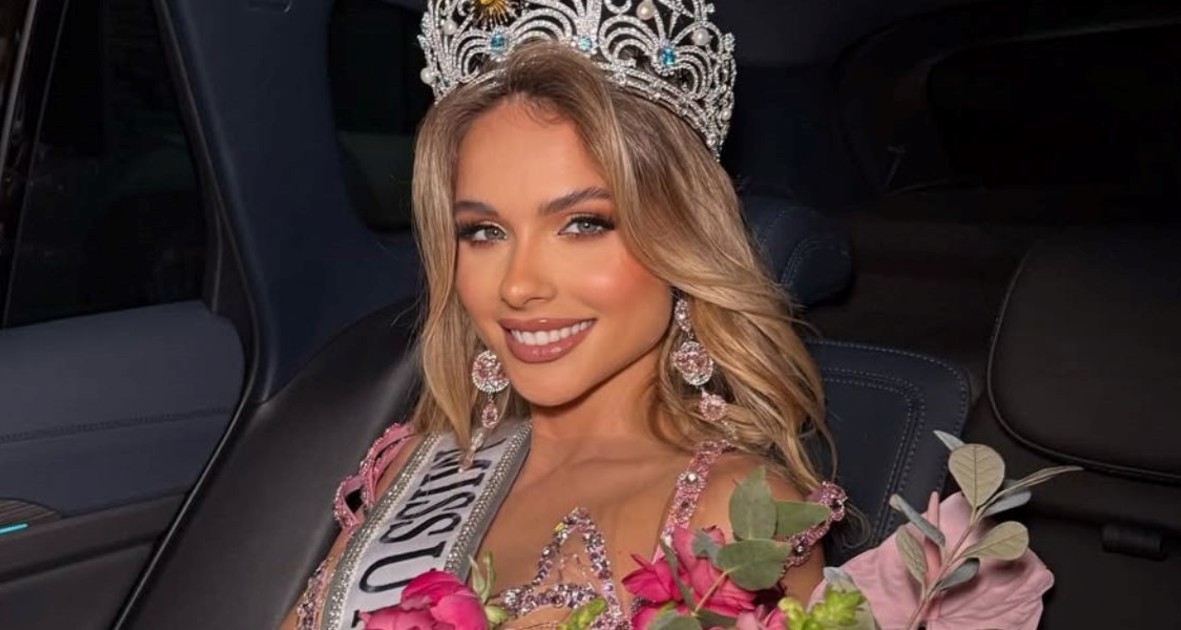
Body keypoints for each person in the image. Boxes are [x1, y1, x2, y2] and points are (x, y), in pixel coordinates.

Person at [281, 1, 845, 628]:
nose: (518, 285)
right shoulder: (417, 470)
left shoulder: (734, 518)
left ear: (681, 239)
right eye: (484, 231)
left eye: (583, 224)